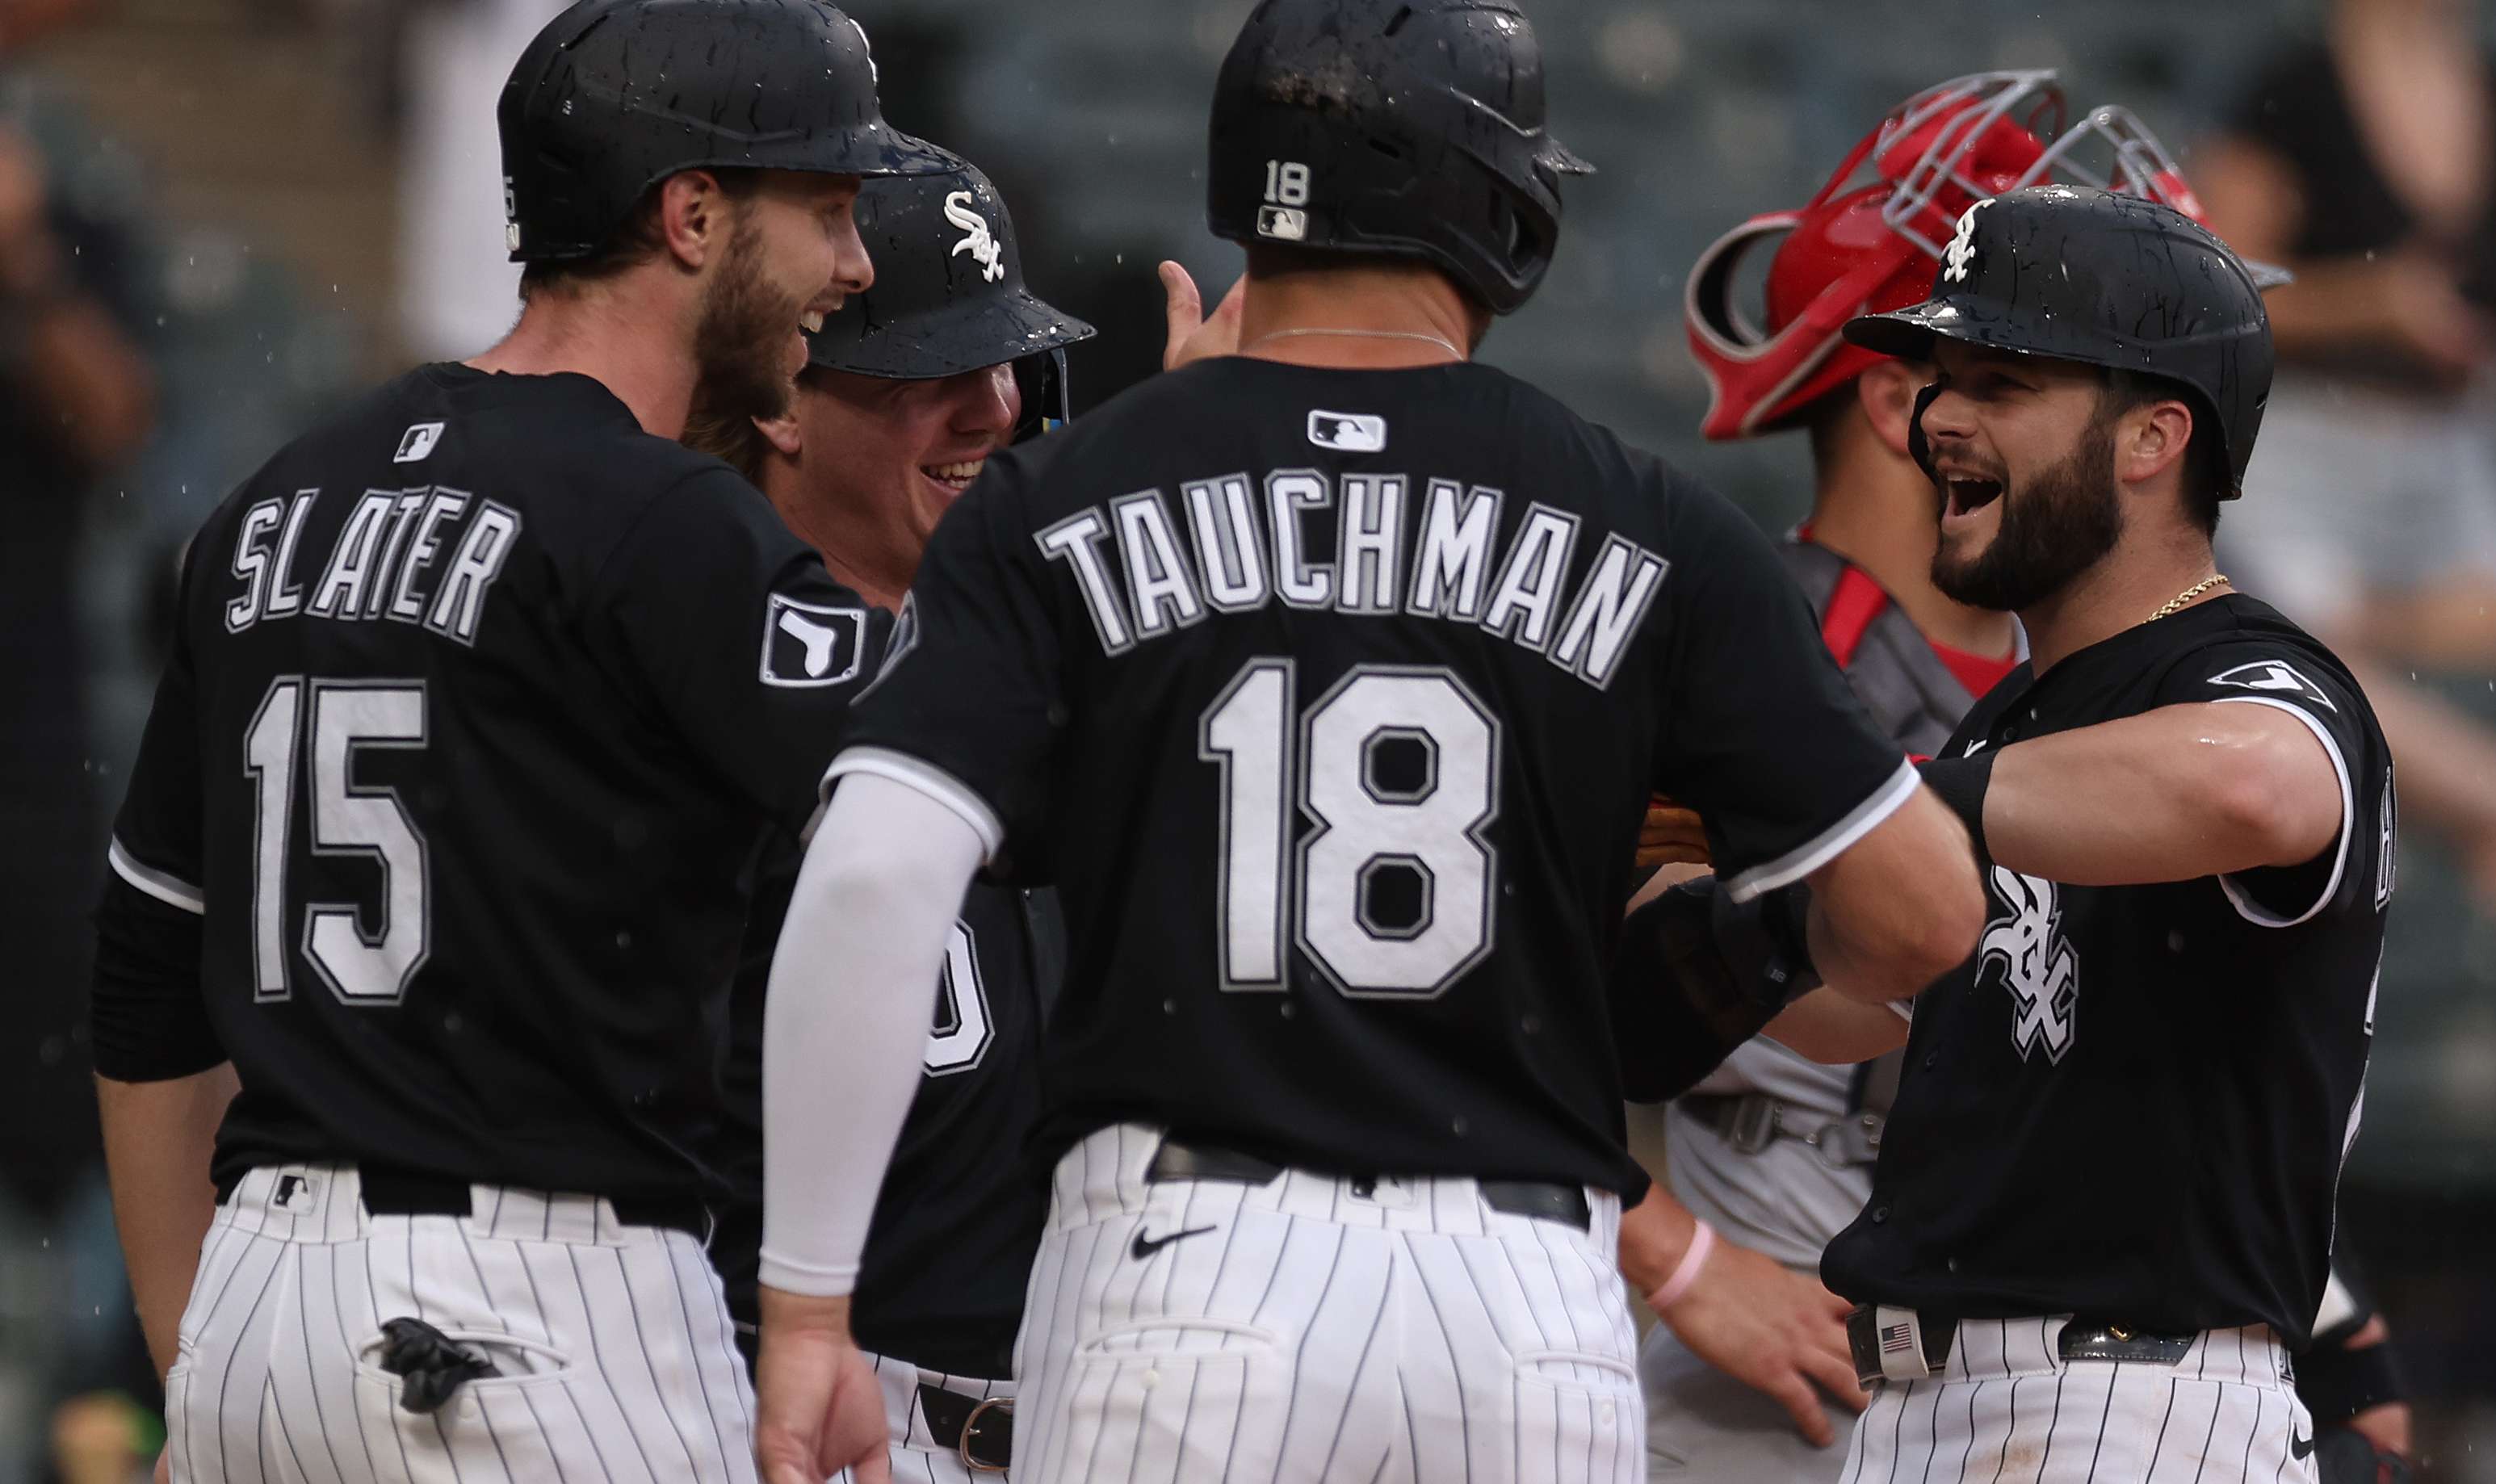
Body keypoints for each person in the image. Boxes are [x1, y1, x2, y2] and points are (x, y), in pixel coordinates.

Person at [746, 2, 1986, 1480]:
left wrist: (805, 1308)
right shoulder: (1651, 519)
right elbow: (1927, 917)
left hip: (1185, 1267)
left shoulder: (1063, 496)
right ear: (1502, 210)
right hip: (1525, 1297)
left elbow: (875, 877)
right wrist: (1744, 935)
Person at [86, 0, 929, 1476]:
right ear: (690, 215)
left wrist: (191, 1358)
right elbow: (949, 802)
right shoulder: (663, 521)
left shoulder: (278, 501)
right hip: (535, 1300)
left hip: (263, 1313)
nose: (854, 265)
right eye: (827, 209)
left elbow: (149, 973)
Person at [1634, 70, 2416, 1484]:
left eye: (2002, 383)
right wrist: (1687, 898)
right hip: (1940, 1400)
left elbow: (2264, 786)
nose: (1940, 414)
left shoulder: (2249, 667)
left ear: (2153, 436)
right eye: (1939, 377)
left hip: (2120, 1393)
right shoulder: (2010, 723)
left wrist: (1877, 806)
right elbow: (1862, 1001)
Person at [690, 147, 1094, 1482]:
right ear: (781, 405)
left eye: (1011, 364)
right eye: (932, 371)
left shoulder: (1063, 682)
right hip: (805, 1418)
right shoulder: (694, 693)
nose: (995, 408)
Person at [2191, 0, 2496, 919]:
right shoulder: (2292, 85)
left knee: (2486, 619)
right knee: (2293, 641)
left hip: (2452, 436)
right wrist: (2369, 304)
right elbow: (2213, 292)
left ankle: (2488, 818)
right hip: (2306, 429)